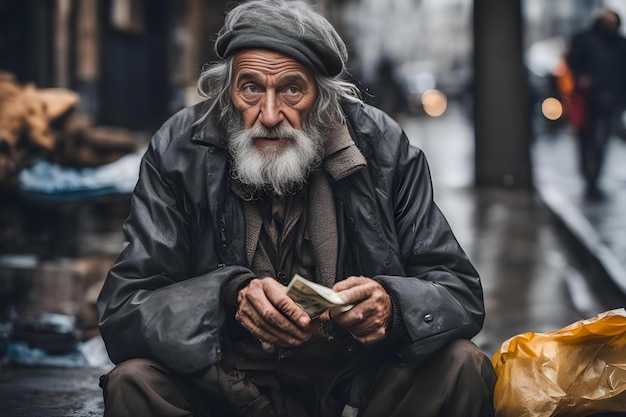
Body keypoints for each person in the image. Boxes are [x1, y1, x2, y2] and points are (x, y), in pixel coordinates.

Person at [96, 1, 496, 416]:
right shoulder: (180, 148)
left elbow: (459, 293)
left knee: (462, 364)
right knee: (134, 381)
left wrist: (394, 306)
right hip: (227, 381)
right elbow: (126, 311)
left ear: (322, 96)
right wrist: (226, 298)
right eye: (250, 88)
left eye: (291, 89)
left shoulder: (382, 145)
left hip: (355, 382)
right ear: (228, 91)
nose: (269, 115)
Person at [566, 9, 626, 200]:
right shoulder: (584, 40)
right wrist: (581, 79)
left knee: (602, 141)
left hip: (611, 101)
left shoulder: (621, 44)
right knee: (587, 139)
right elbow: (571, 61)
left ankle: (594, 180)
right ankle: (588, 177)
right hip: (588, 100)